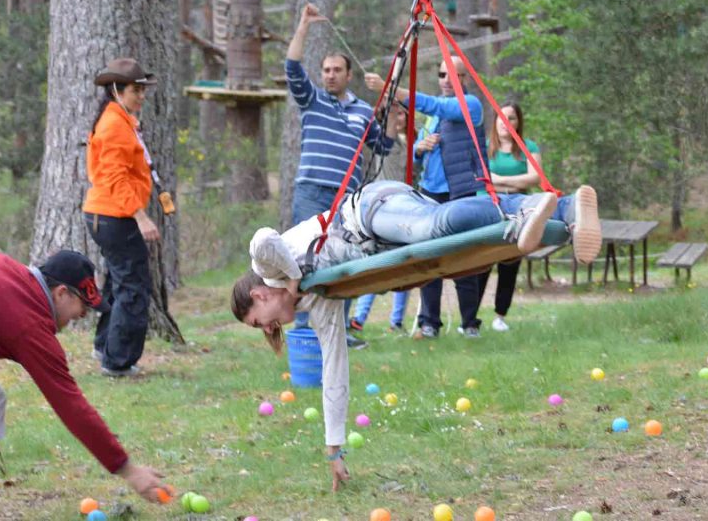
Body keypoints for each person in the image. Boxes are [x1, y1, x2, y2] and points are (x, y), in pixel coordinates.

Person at [230, 180, 600, 491]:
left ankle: (543, 205)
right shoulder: (320, 301)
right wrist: (334, 449)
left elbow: (263, 238)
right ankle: (567, 220)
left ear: (259, 295)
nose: (267, 329)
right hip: (387, 238)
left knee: (434, 228)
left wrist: (292, 279)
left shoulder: (266, 267)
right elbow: (334, 373)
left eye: (257, 321)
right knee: (466, 248)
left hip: (368, 212)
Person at [0, 248, 172, 521]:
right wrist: (129, 471)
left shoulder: (6, 268)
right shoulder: (29, 324)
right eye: (83, 305)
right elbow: (72, 407)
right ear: (61, 292)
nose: (85, 314)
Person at [286, 3, 400, 348]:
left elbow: (382, 147)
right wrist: (304, 25)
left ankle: (339, 329)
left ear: (348, 75)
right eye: (326, 70)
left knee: (344, 257)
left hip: (345, 198)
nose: (330, 75)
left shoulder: (363, 111)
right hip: (310, 191)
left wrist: (393, 115)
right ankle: (306, 327)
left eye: (337, 70)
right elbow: (292, 67)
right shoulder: (312, 101)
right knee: (305, 258)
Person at [365, 58, 488, 339]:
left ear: (465, 78)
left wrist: (392, 89)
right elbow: (416, 157)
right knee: (429, 258)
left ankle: (469, 323)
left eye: (453, 75)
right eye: (443, 74)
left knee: (463, 259)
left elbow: (436, 105)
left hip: (460, 191)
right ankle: (429, 322)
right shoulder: (433, 119)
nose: (446, 79)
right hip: (430, 191)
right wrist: (420, 148)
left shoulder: (470, 105)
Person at [83, 57, 161, 377]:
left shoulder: (120, 119)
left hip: (107, 215)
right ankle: (118, 362)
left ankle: (105, 346)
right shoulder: (114, 125)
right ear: (117, 90)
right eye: (135, 90)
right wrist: (141, 217)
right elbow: (116, 178)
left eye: (143, 90)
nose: (141, 96)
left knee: (118, 284)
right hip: (115, 217)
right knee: (134, 287)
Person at [477, 103, 543, 332]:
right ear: (495, 121)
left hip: (519, 210)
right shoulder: (485, 147)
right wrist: (515, 180)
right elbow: (481, 177)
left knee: (510, 262)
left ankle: (500, 316)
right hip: (488, 209)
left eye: (512, 118)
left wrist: (500, 181)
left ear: (519, 122)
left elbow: (535, 178)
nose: (506, 123)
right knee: (480, 262)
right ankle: (470, 317)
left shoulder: (529, 147)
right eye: (502, 117)